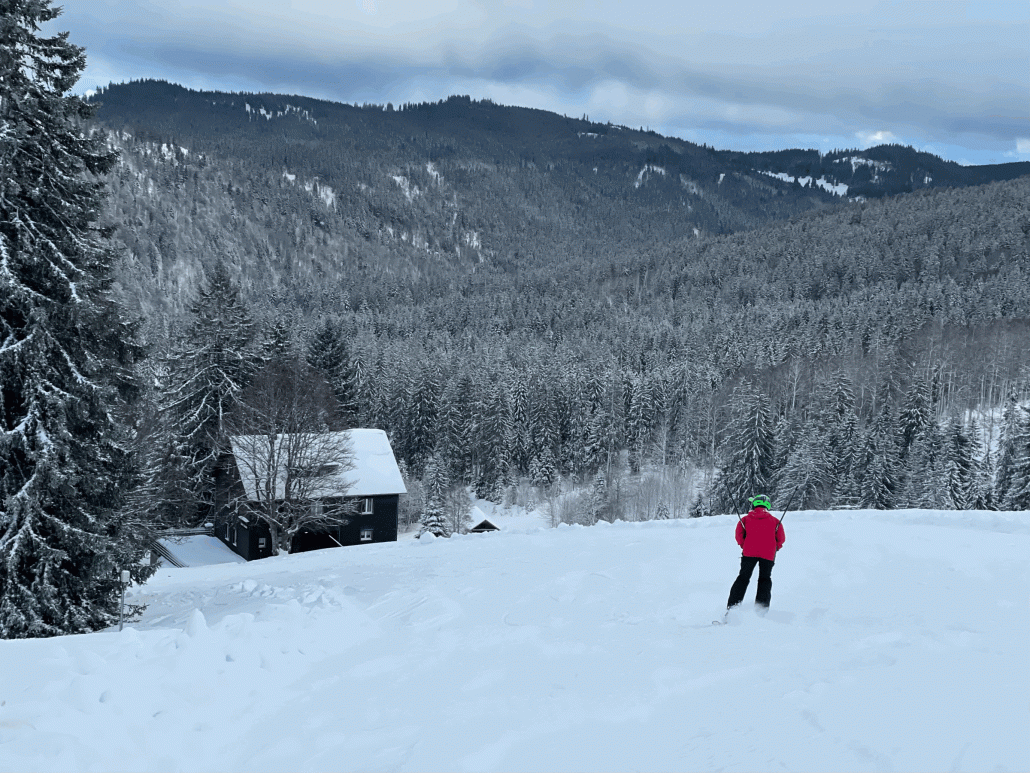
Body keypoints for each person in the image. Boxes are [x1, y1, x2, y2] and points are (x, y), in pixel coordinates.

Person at [726, 494, 785, 610]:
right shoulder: (775, 521)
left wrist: (744, 545)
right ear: (767, 505)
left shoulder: (745, 520)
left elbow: (739, 535)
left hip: (749, 553)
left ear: (754, 505)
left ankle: (733, 607)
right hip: (768, 554)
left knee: (743, 578)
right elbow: (781, 538)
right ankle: (761, 610)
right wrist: (775, 548)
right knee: (765, 579)